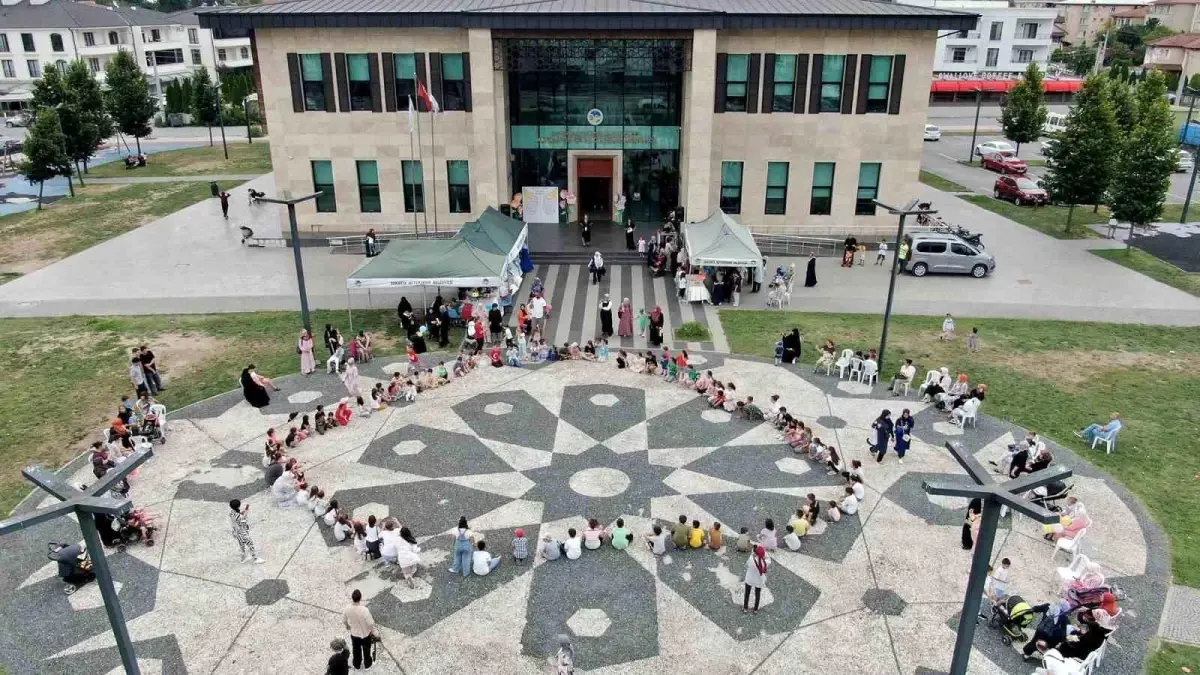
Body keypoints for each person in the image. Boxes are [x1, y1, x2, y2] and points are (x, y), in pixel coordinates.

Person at [343, 589, 377, 670]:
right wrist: (374, 631)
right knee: (366, 649)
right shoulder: (365, 610)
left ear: (352, 598)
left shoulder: (347, 609)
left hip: (354, 633)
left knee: (356, 649)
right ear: (360, 598)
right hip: (365, 634)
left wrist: (347, 625)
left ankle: (357, 664)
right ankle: (367, 665)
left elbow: (343, 620)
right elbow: (370, 623)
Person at [228, 499, 265, 564]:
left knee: (242, 545)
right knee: (250, 545)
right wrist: (246, 512)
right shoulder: (240, 517)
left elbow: (238, 515)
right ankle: (255, 559)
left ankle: (243, 558)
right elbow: (243, 522)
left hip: (236, 533)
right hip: (242, 533)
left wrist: (244, 511)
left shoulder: (231, 512)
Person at [743, 545, 769, 613]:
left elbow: (747, 563)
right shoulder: (765, 562)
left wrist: (753, 554)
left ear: (755, 553)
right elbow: (768, 558)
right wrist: (764, 552)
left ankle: (745, 608)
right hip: (759, 580)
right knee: (757, 594)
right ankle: (755, 609)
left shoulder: (751, 559)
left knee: (747, 593)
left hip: (750, 579)